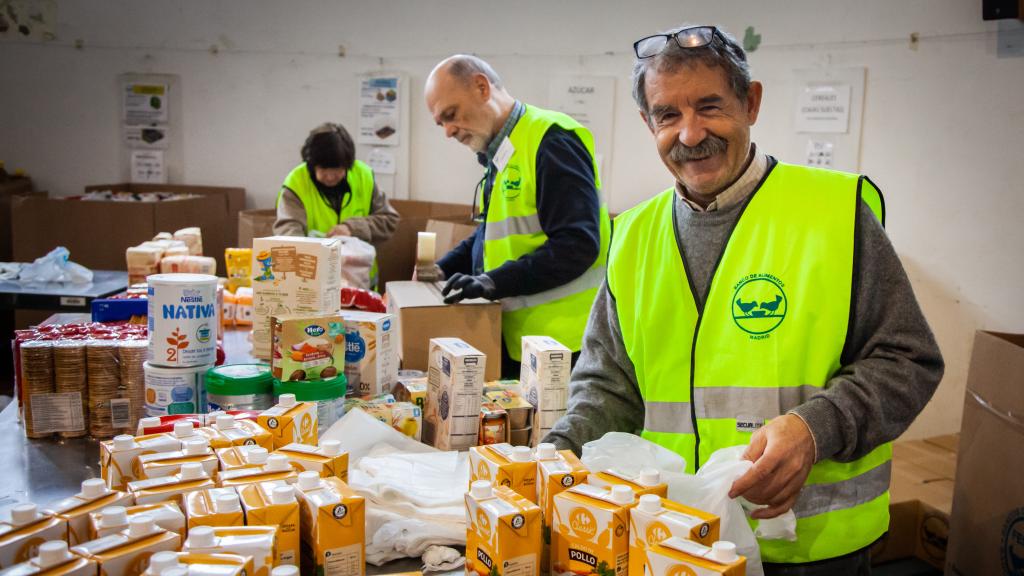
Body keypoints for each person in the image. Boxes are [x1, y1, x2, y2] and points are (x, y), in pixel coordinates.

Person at [543, 25, 944, 574]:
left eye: (709, 107)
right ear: (648, 123)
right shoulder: (633, 233)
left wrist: (814, 429)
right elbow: (608, 384)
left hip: (809, 547)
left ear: (750, 103)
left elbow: (909, 360)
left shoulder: (834, 213)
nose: (690, 134)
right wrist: (551, 458)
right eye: (667, 115)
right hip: (670, 535)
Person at [422, 55, 611, 376]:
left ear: (482, 87)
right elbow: (491, 233)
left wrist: (492, 281)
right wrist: (442, 268)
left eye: (450, 115)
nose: (448, 132)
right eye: (441, 123)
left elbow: (577, 245)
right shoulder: (502, 152)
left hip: (566, 345)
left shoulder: (551, 140)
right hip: (524, 340)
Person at [274, 122, 399, 286]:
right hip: (312, 282)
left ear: (348, 165)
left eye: (337, 170)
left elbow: (389, 220)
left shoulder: (363, 176)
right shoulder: (296, 184)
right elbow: (288, 232)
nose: (330, 177)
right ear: (311, 165)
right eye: (323, 170)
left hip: (359, 282)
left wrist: (352, 228)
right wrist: (312, 257)